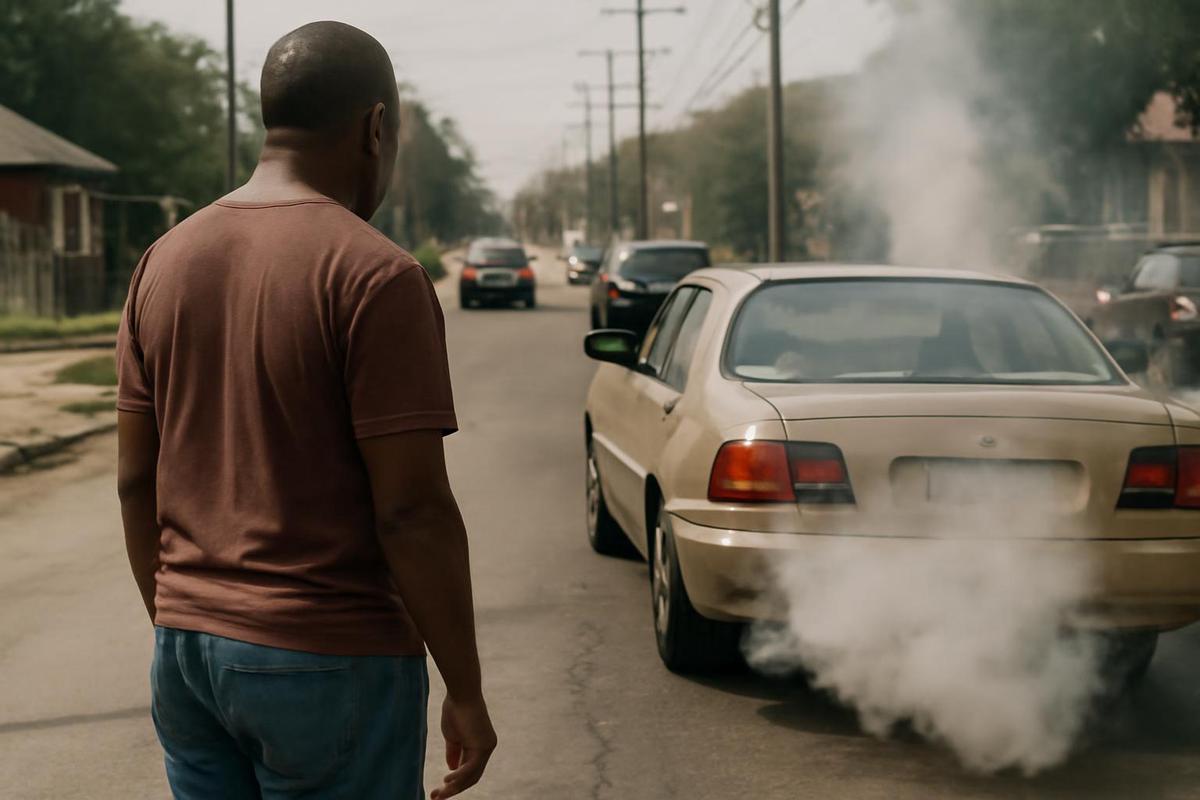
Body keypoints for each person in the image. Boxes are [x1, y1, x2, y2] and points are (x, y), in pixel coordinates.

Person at [115, 21, 495, 800]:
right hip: (330, 658)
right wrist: (466, 687)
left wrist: (183, 615)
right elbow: (412, 511)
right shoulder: (375, 275)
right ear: (376, 128)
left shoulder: (164, 261)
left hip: (186, 655)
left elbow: (133, 480)